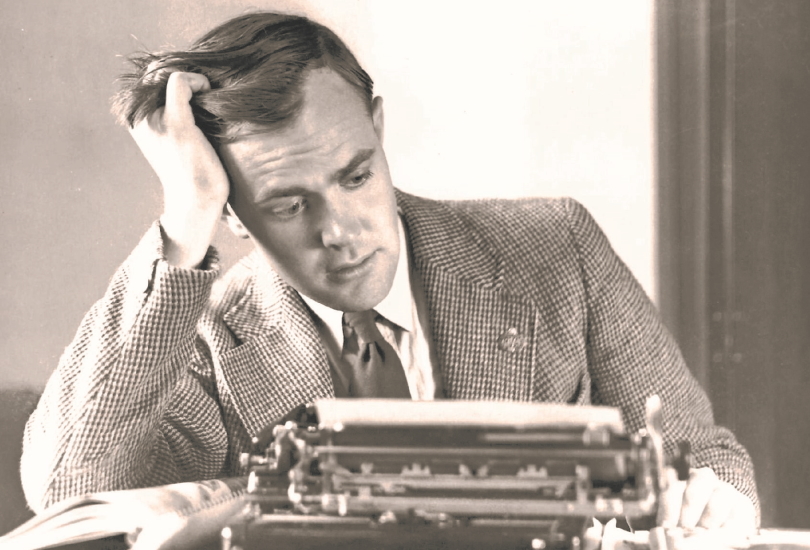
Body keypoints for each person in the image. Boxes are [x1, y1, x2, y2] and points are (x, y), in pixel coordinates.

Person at [21, 11, 758, 532]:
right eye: (287, 205)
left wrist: (712, 506)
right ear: (234, 215)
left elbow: (713, 461)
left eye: (355, 176)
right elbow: (68, 491)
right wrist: (185, 219)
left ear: (378, 127)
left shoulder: (555, 248)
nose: (339, 233)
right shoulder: (207, 340)